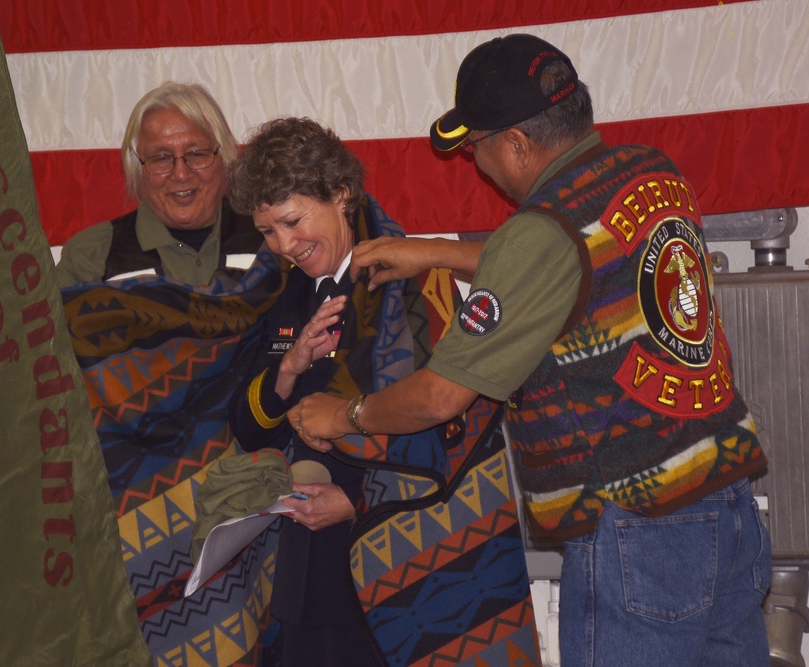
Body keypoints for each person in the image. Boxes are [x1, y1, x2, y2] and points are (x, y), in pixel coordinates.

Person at [288, 34, 771, 666]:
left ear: (516, 144)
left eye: (477, 149)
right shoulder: (651, 173)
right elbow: (580, 264)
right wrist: (436, 250)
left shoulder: (535, 235)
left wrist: (344, 415)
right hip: (727, 502)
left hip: (637, 528)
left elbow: (440, 396)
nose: (477, 164)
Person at [226, 116, 382, 667]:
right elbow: (244, 430)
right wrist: (287, 370)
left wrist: (356, 503)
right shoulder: (281, 295)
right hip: (295, 570)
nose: (284, 245)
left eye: (293, 221)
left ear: (341, 193)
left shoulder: (399, 283)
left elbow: (446, 423)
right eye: (267, 231)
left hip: (384, 561)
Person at [55, 82, 263, 286]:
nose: (181, 174)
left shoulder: (269, 235)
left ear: (225, 159)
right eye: (161, 158)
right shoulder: (91, 256)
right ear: (136, 169)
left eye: (197, 154)